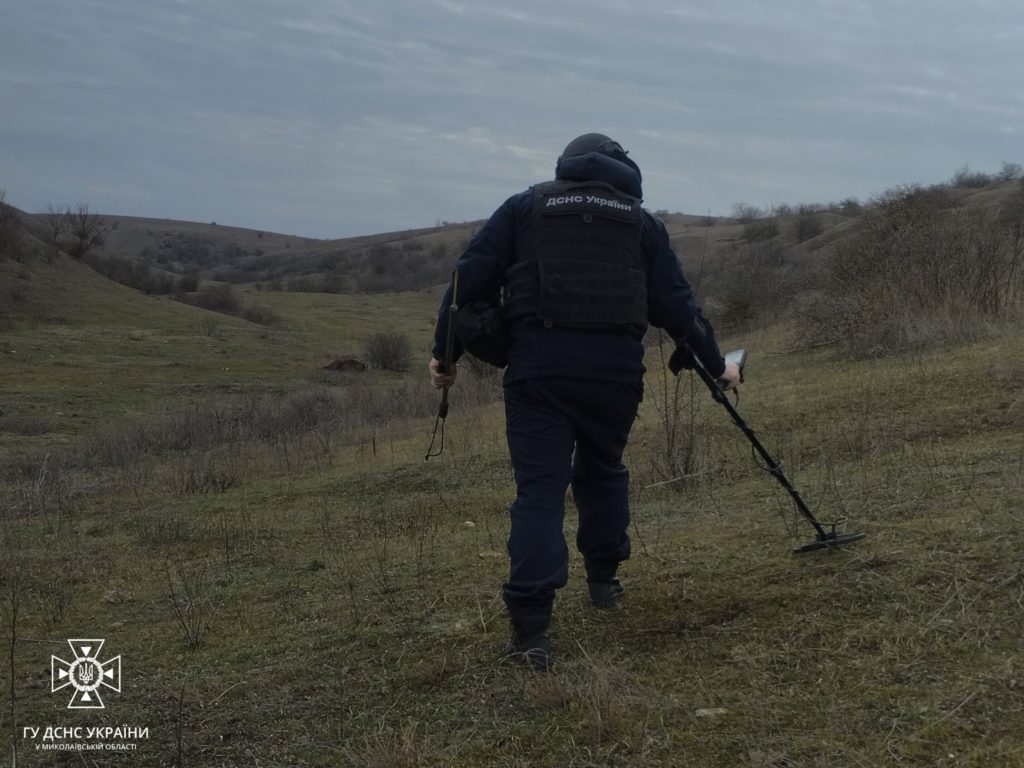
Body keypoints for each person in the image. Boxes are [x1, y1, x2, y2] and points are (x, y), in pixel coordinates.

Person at [428, 133, 740, 669]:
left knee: (540, 493)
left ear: (567, 166)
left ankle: (531, 632)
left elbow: (466, 282)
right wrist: (720, 366)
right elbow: (677, 307)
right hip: (614, 378)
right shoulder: (642, 223)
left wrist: (444, 354)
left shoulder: (525, 207)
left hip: (537, 377)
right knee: (602, 471)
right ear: (624, 170)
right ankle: (604, 581)